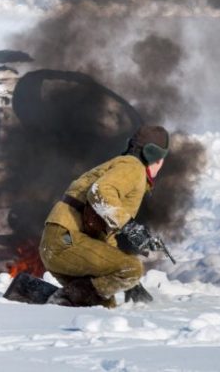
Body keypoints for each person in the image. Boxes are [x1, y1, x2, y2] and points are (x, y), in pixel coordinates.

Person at [38, 125, 170, 307]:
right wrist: (131, 229)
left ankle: (28, 291)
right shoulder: (133, 167)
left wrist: (131, 283)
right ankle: (64, 298)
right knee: (132, 267)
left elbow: (105, 238)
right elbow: (100, 192)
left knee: (103, 305)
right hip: (66, 240)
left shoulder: (121, 167)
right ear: (155, 158)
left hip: (60, 242)